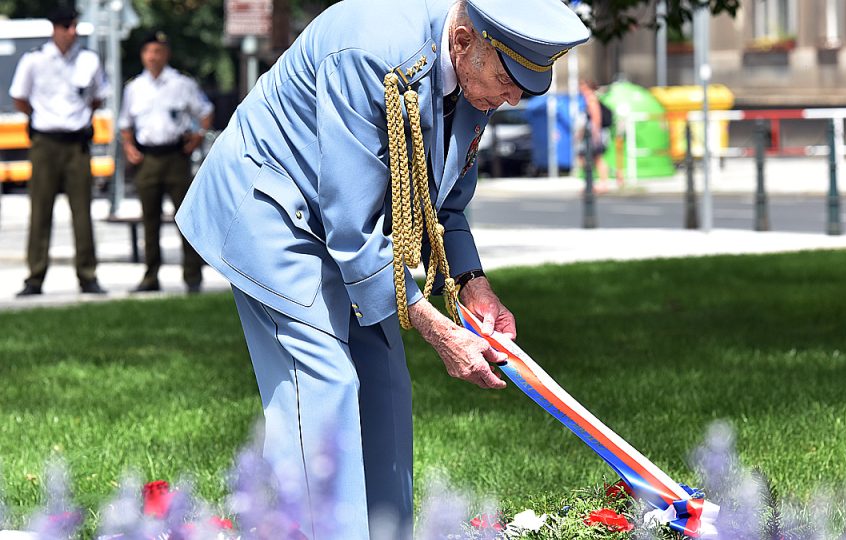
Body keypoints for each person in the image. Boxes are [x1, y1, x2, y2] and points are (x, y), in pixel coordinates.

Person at [175, 0, 589, 537]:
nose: (512, 99)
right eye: (510, 81)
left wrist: (472, 283)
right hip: (271, 212)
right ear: (463, 41)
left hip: (340, 224)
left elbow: (444, 203)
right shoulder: (368, 51)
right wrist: (431, 323)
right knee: (323, 383)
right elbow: (352, 222)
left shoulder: (475, 75)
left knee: (386, 387)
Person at [10, 6, 110, 297]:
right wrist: (40, 117)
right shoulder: (35, 60)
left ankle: (87, 274)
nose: (72, 31)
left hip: (77, 144)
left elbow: (98, 98)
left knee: (82, 212)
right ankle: (35, 277)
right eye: (66, 26)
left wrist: (77, 118)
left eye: (74, 25)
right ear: (54, 28)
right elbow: (20, 98)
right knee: (40, 211)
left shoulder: (88, 60)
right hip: (45, 142)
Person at [119, 31, 213, 294]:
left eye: (158, 51)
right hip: (147, 157)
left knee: (184, 217)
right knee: (150, 219)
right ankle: (151, 275)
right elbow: (125, 123)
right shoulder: (134, 87)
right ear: (143, 55)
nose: (154, 56)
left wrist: (197, 138)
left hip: (175, 157)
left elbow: (205, 112)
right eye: (149, 51)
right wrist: (128, 146)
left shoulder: (181, 83)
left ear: (166, 54)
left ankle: (192, 275)